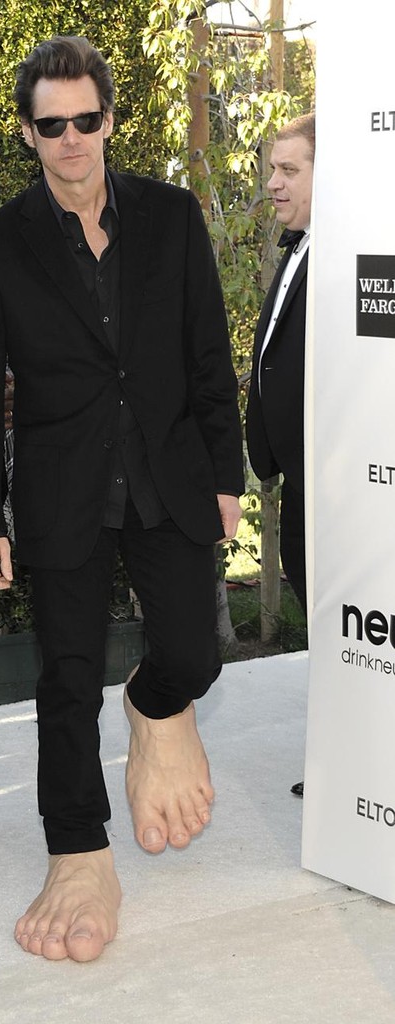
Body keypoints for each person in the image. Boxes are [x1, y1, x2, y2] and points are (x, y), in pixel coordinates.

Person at [0, 35, 244, 962]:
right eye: (52, 125)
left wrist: (227, 475)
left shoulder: (172, 215)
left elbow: (208, 358)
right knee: (63, 681)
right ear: (30, 134)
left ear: (109, 120)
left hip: (168, 476)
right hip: (61, 489)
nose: (71, 138)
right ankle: (78, 848)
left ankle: (154, 705)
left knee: (193, 654)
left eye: (86, 119)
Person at [245, 112, 315, 797]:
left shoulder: (359, 260)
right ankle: (341, 760)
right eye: (273, 169)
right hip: (299, 479)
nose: (273, 184)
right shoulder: (298, 247)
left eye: (290, 170)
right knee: (327, 628)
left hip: (344, 485)